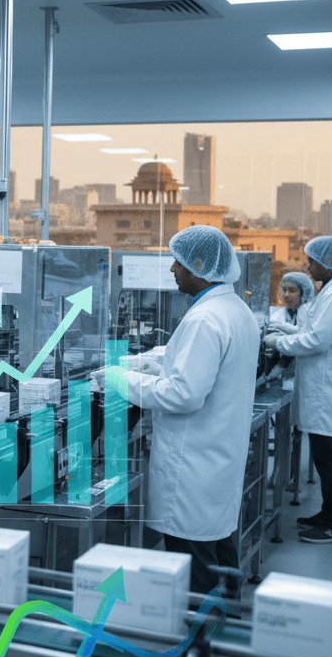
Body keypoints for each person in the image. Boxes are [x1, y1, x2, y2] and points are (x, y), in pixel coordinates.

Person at [104, 225, 259, 597]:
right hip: (217, 456)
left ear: (200, 266)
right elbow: (203, 376)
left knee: (195, 564)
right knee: (218, 547)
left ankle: (198, 644)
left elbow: (183, 395)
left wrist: (119, 381)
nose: (173, 270)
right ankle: (223, 629)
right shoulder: (234, 310)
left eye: (178, 262)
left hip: (194, 463)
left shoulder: (205, 319)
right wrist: (153, 369)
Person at [264, 236, 332, 544]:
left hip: (327, 390)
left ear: (325, 262)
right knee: (328, 456)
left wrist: (279, 342)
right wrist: (287, 329)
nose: (308, 266)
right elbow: (312, 331)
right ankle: (329, 514)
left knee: (330, 459)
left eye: (312, 261)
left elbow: (317, 341)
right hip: (327, 387)